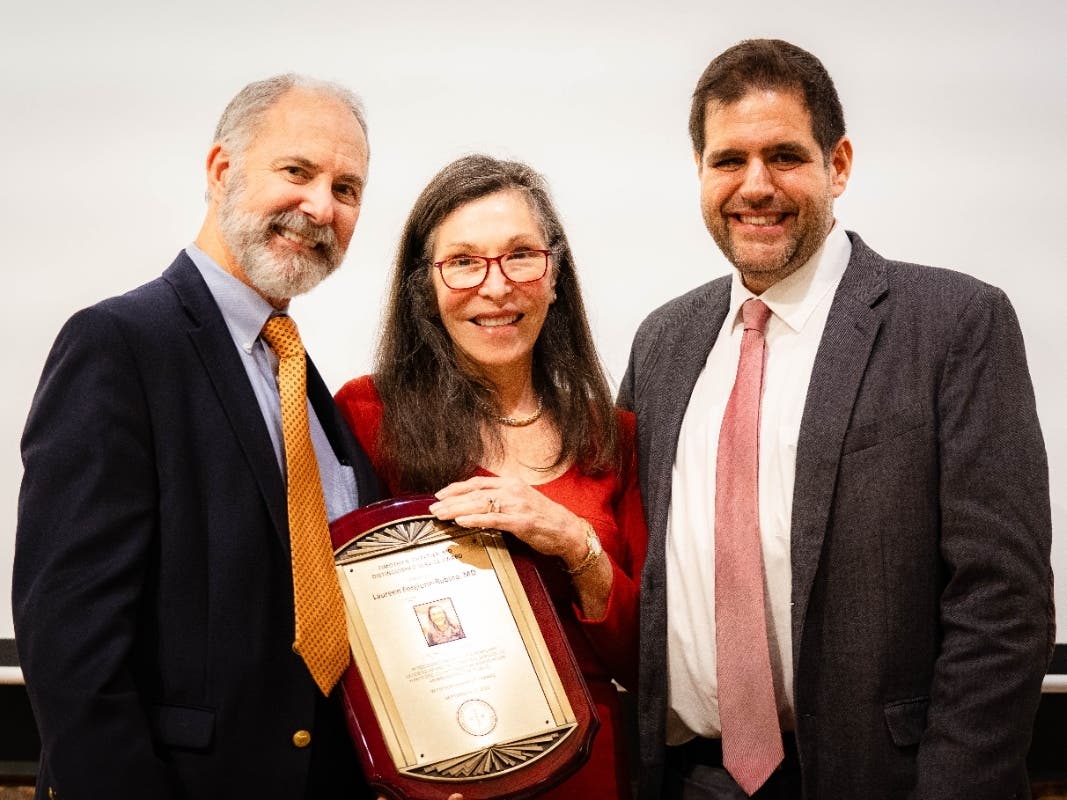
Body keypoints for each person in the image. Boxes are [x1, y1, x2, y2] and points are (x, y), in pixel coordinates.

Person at [618, 39, 1054, 800]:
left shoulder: (953, 324)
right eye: (727, 161)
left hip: (884, 780)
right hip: (689, 782)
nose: (754, 186)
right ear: (699, 172)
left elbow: (1002, 601)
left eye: (783, 155)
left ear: (838, 164)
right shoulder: (663, 342)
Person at [13, 74, 383, 799]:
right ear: (221, 170)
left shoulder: (303, 380)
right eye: (297, 171)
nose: (321, 206)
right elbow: (69, 642)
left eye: (347, 189)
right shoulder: (119, 345)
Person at [335, 154, 647, 799]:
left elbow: (644, 657)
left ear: (554, 273)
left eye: (520, 255)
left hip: (588, 772)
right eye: (464, 261)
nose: (496, 286)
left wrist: (575, 543)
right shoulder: (367, 415)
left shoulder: (613, 436)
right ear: (425, 285)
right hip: (428, 780)